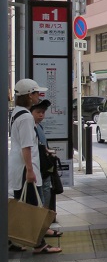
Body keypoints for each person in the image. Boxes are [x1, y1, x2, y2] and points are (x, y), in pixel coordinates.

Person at [8, 79, 61, 254]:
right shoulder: (25, 117)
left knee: (22, 205)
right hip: (25, 168)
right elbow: (26, 146)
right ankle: (39, 244)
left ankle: (15, 240)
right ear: (29, 96)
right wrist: (30, 171)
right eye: (37, 93)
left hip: (18, 166)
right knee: (32, 207)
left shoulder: (16, 112)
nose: (39, 96)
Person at [31, 99, 62, 238]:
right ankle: (41, 229)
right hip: (38, 169)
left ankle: (44, 227)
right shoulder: (31, 127)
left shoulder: (39, 127)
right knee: (41, 199)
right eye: (38, 112)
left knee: (45, 197)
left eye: (43, 113)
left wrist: (48, 151)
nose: (41, 115)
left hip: (44, 169)